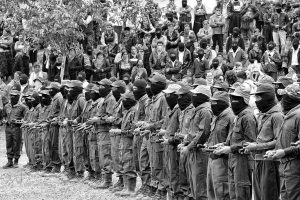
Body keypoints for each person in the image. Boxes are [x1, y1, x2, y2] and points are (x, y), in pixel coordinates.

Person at [214, 84, 257, 200]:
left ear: (244, 100)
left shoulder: (247, 116)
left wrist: (230, 148)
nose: (233, 101)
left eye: (237, 99)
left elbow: (250, 142)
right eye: (232, 98)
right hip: (233, 159)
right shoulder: (238, 116)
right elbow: (234, 137)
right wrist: (224, 144)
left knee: (242, 192)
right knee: (233, 192)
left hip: (243, 160)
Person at [243, 84, 282, 200]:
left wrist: (256, 147)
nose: (256, 101)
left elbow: (278, 142)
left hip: (270, 162)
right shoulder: (262, 115)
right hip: (258, 161)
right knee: (259, 196)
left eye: (258, 98)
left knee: (268, 195)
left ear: (267, 97)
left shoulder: (277, 116)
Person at [265, 83, 300, 200]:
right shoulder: (289, 115)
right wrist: (275, 151)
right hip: (285, 166)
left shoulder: (298, 115)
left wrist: (284, 152)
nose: (282, 100)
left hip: (295, 168)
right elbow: (285, 140)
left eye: (285, 97)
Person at [207, 91, 234, 200]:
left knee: (222, 192)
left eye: (214, 102)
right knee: (211, 191)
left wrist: (222, 147)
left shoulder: (230, 117)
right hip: (212, 158)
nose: (212, 105)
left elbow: (232, 141)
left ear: (221, 103)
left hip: (223, 161)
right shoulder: (217, 116)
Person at [1, 89, 28, 169]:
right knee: (9, 143)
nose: (12, 97)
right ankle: (9, 161)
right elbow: (4, 116)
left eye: (15, 96)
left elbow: (26, 118)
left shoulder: (22, 107)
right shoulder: (6, 106)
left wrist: (19, 121)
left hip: (17, 128)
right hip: (8, 127)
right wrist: (4, 120)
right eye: (11, 95)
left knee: (17, 144)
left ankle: (16, 160)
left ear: (18, 97)